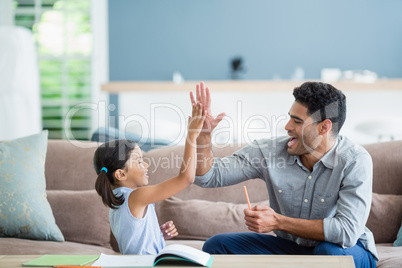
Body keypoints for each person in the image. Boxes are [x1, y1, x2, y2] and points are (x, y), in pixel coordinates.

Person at [190, 81, 378, 268]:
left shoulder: (354, 160)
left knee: (326, 255)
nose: (287, 126)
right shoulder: (269, 151)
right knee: (216, 246)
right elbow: (209, 176)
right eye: (290, 118)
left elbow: (346, 232)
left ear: (324, 127)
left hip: (346, 249)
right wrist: (203, 138)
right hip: (293, 247)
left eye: (297, 121)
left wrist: (278, 222)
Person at [93, 102, 206, 255]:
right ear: (121, 174)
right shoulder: (136, 196)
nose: (146, 164)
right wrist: (192, 135)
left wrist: (158, 235)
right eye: (139, 161)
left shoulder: (118, 199)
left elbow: (134, 239)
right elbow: (186, 178)